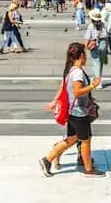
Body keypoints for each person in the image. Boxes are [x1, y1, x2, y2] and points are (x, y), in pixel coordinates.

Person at [40, 42, 104, 177]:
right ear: (80, 56)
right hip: (79, 113)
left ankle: (47, 160)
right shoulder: (78, 73)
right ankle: (88, 169)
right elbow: (77, 92)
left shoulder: (70, 70)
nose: (86, 58)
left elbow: (63, 87)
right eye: (84, 55)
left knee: (71, 139)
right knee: (86, 141)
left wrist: (54, 101)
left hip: (72, 111)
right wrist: (93, 85)